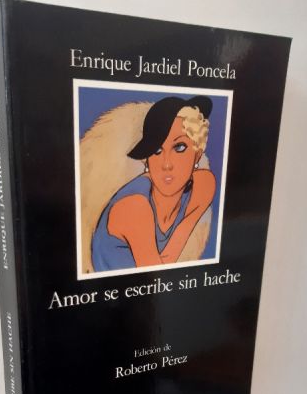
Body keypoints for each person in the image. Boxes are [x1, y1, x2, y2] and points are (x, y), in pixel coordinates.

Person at [91, 96, 216, 272]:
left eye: (179, 147)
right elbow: (156, 278)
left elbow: (169, 258)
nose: (167, 164)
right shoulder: (133, 207)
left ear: (198, 153)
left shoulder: (204, 185)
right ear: (147, 160)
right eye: (157, 150)